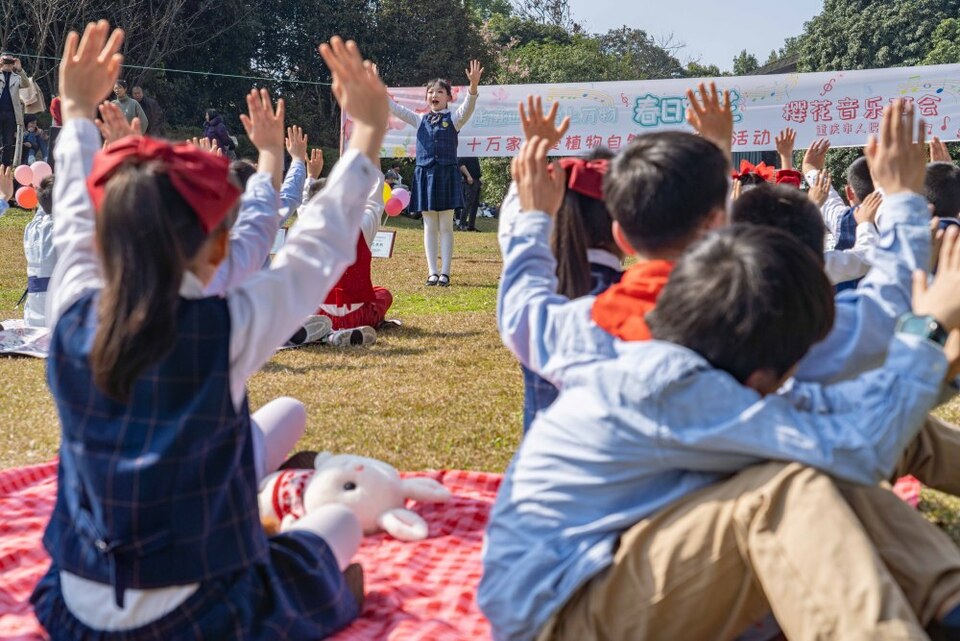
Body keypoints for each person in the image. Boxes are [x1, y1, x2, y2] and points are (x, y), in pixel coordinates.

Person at [481, 104, 960, 641]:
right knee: (790, 487)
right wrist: (928, 333)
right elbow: (849, 442)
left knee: (800, 467)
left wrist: (532, 215)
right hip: (559, 616)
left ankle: (947, 603)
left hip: (594, 570)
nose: (793, 383)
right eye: (791, 373)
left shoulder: (667, 330)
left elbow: (522, 301)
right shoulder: (675, 385)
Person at [30, 24, 388, 640]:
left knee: (293, 469)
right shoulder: (225, 325)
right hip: (197, 611)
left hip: (76, 603)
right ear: (217, 245)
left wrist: (79, 114)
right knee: (342, 528)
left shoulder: (71, 309)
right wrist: (368, 133)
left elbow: (72, 217)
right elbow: (314, 250)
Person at [387, 61, 484, 287]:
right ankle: (432, 272)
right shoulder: (419, 119)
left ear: (448, 97)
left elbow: (468, 108)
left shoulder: (454, 118)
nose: (434, 95)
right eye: (431, 92)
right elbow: (396, 109)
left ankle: (446, 273)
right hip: (425, 174)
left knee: (446, 225)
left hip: (447, 174)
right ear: (426, 97)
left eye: (440, 91)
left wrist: (473, 86)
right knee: (429, 225)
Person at [315, 166, 391, 337]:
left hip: (320, 315)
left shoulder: (308, 232)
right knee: (383, 294)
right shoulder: (363, 227)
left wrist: (311, 176)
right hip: (359, 316)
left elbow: (303, 206)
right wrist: (376, 168)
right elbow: (374, 203)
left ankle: (326, 334)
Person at [23, 175, 56, 327]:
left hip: (32, 317)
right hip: (58, 317)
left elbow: (45, 206)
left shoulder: (31, 228)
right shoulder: (65, 230)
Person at [0, 53, 32, 167]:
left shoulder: (17, 77)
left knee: (8, 143)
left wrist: (20, 69)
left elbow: (26, 84)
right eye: (6, 62)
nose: (8, 65)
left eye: (10, 62)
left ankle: (4, 168)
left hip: (10, 113)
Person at [457, 156, 482, 231]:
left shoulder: (474, 153)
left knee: (475, 204)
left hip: (476, 180)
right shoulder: (466, 152)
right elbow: (461, 165)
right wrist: (468, 176)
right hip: (469, 181)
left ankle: (471, 226)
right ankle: (461, 224)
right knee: (468, 204)